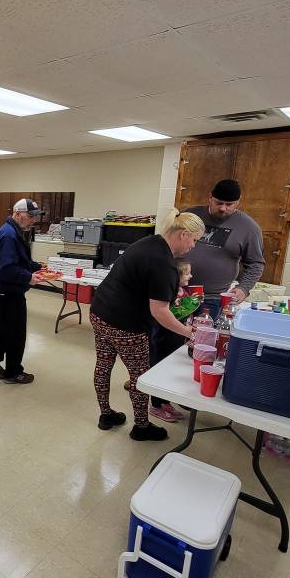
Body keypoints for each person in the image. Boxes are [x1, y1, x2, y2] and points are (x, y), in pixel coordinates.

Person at [89, 210, 204, 441]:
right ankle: (141, 427)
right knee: (140, 376)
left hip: (100, 312)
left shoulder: (149, 242)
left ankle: (106, 415)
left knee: (103, 364)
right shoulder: (164, 264)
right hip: (126, 326)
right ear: (183, 234)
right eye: (195, 240)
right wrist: (189, 332)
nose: (193, 246)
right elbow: (160, 311)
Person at [0, 198, 46, 384]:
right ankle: (13, 372)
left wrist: (37, 267)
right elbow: (7, 269)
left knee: (5, 331)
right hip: (8, 293)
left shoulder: (13, 231)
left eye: (34, 216)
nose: (33, 220)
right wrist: (28, 277)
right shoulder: (9, 235)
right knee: (16, 334)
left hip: (6, 292)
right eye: (30, 216)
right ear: (17, 214)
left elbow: (19, 261)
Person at [183, 179, 265, 318]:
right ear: (210, 197)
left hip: (212, 298)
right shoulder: (190, 215)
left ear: (238, 202)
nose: (223, 208)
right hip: (178, 290)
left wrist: (243, 288)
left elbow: (256, 263)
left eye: (229, 204)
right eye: (219, 203)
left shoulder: (249, 228)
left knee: (202, 330)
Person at [148, 259, 194, 423]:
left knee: (169, 371)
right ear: (176, 276)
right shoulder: (167, 292)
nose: (191, 276)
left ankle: (165, 402)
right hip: (162, 338)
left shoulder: (183, 291)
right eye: (187, 273)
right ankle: (156, 405)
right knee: (159, 370)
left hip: (176, 338)